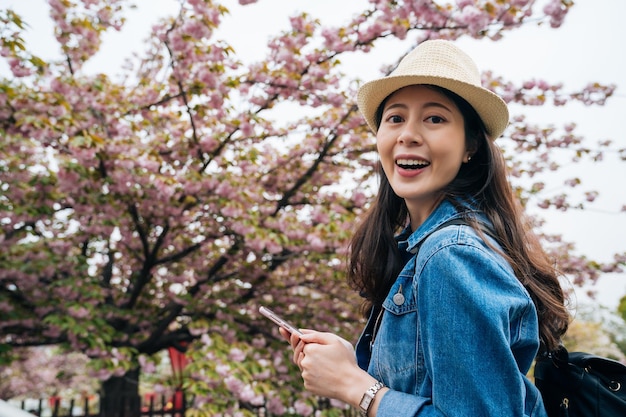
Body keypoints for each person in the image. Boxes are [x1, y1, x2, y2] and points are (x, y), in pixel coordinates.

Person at [279, 39, 571, 416]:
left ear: (471, 147)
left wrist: (355, 386)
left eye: (435, 118)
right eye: (396, 118)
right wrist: (351, 366)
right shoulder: (430, 249)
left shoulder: (452, 255)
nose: (408, 134)